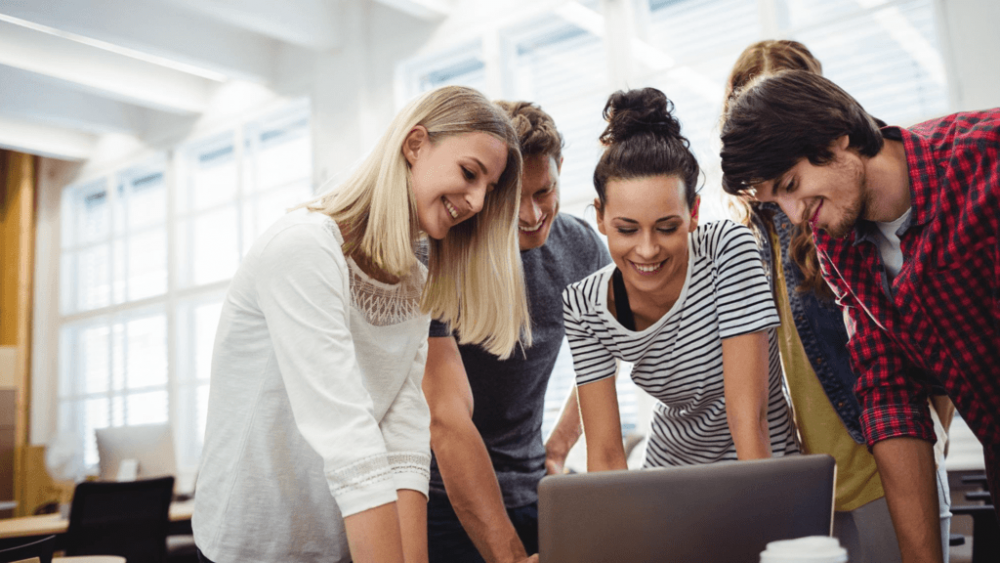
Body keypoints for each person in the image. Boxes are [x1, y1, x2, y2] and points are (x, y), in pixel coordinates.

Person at [192, 85, 532, 563]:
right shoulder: (304, 248)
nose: (476, 201)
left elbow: (404, 436)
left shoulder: (417, 278)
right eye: (470, 173)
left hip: (333, 542)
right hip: (251, 542)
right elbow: (348, 436)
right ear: (415, 145)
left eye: (488, 189)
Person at [720, 70, 1000, 563]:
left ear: (836, 136)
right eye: (774, 202)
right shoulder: (837, 248)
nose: (793, 213)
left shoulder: (986, 156)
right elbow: (890, 396)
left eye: (791, 185)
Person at [563, 87, 797, 475]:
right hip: (669, 476)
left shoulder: (727, 249)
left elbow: (749, 420)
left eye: (667, 227)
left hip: (762, 469)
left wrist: (763, 513)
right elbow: (604, 455)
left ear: (693, 213)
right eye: (627, 229)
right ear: (601, 217)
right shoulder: (585, 306)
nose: (648, 249)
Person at [423, 101, 611, 563]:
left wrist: (561, 444)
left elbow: (612, 346)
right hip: (442, 498)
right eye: (514, 200)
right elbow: (445, 421)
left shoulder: (581, 246)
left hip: (533, 489)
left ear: (561, 170)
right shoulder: (438, 257)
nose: (530, 215)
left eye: (544, 192)